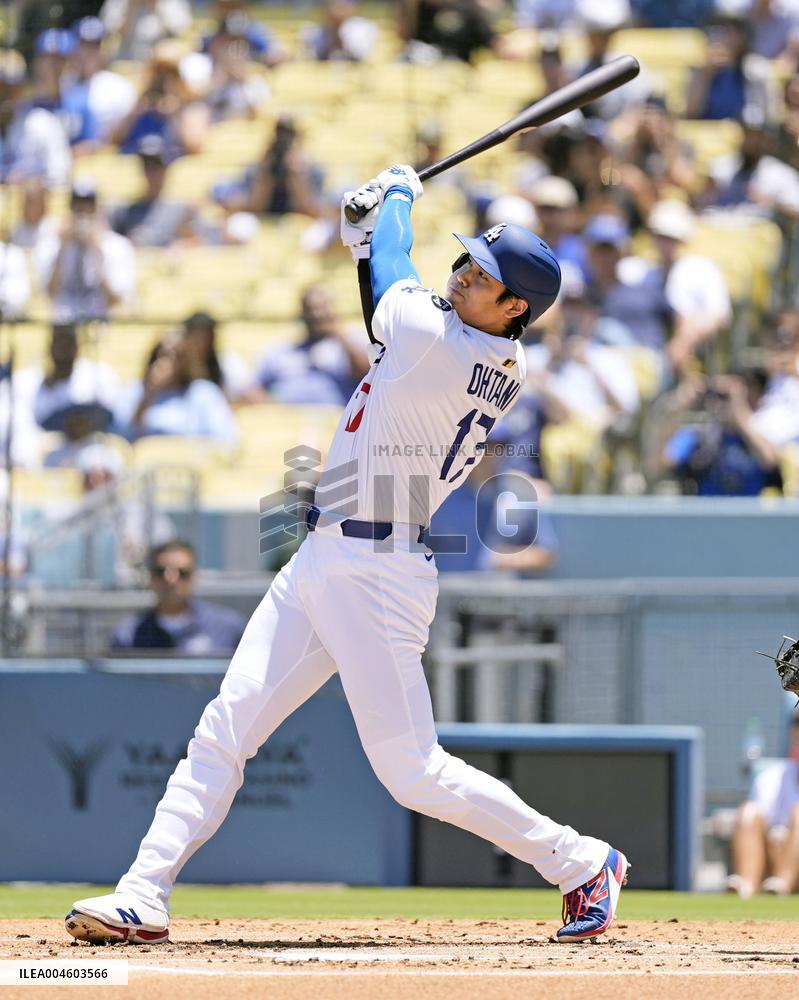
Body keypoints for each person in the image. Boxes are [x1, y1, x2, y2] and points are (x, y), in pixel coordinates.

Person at [65, 163, 627, 948]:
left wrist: (394, 199)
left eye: (484, 276)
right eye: (467, 261)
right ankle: (143, 892)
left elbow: (393, 270)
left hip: (377, 573)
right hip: (325, 555)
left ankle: (581, 860)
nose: (465, 274)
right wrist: (362, 237)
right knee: (226, 726)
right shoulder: (469, 343)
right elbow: (381, 292)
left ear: (514, 309)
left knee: (412, 771)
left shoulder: (441, 342)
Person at [110, 540, 245, 653]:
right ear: (150, 577)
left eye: (182, 573)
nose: (171, 580)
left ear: (194, 578)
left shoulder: (228, 629)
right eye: (161, 572)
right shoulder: (128, 634)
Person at [34, 179, 136, 324]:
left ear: (97, 209)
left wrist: (96, 251)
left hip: (101, 323)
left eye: (89, 208)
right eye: (77, 208)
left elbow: (116, 299)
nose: (83, 213)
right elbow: (48, 294)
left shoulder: (117, 246)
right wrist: (62, 249)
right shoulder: (52, 245)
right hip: (63, 324)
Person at [114, 330, 238, 444]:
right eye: (160, 355)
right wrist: (149, 394)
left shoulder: (204, 393)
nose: (164, 363)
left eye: (175, 356)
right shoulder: (135, 391)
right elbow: (120, 436)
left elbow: (225, 438)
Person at [254, 284, 369, 405]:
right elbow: (255, 390)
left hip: (336, 414)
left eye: (322, 308)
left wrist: (337, 332)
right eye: (310, 309)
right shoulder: (281, 352)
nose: (316, 315)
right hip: (288, 414)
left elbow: (365, 374)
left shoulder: (350, 344)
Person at [727, 709, 799, 897]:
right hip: (770, 861)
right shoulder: (769, 778)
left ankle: (782, 885)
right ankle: (746, 886)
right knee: (748, 811)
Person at [109, 134, 195, 247]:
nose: (151, 172)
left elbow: (198, 242)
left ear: (166, 168)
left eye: (156, 165)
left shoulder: (182, 210)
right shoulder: (125, 211)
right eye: (147, 165)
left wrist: (182, 246)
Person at [61, 16, 137, 144]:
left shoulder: (120, 86)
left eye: (94, 46)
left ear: (104, 49)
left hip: (104, 153)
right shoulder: (61, 83)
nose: (86, 52)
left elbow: (128, 135)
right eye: (82, 45)